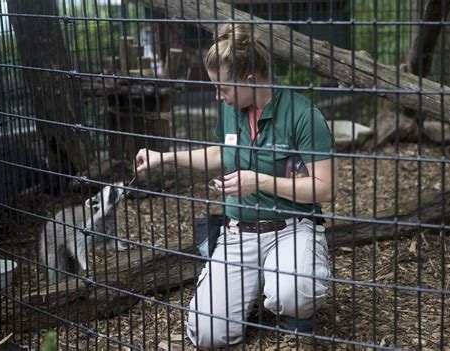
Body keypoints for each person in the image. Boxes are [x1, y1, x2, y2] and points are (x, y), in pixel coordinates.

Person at [135, 23, 337, 348]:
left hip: (291, 227)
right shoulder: (233, 110)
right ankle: (252, 294)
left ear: (250, 81)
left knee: (294, 294)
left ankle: (292, 303)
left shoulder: (303, 115)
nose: (218, 96)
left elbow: (325, 188)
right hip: (238, 233)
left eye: (223, 88)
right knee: (207, 336)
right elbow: (220, 152)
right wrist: (164, 157)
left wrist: (258, 181)